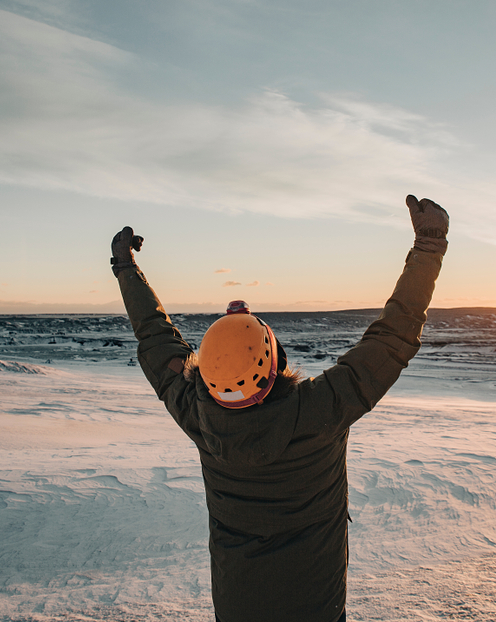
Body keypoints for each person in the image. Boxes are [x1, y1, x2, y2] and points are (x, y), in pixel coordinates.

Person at [111, 195, 449, 622]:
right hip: (317, 609)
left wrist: (125, 268)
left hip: (237, 608)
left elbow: (156, 339)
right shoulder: (320, 411)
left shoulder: (197, 414)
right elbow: (393, 338)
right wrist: (429, 246)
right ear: (275, 360)